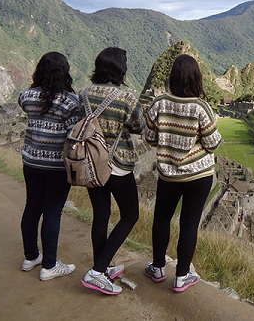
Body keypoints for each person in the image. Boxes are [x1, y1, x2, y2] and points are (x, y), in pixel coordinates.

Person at [143, 54, 222, 292]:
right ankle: (181, 275)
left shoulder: (159, 104)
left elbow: (149, 137)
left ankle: (157, 267)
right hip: (199, 177)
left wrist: (168, 140)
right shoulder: (200, 107)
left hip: (169, 175)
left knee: (162, 219)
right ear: (196, 78)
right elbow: (213, 143)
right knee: (189, 224)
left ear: (172, 77)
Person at [79, 47, 143, 295]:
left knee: (101, 215)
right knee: (130, 216)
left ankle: (102, 268)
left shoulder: (83, 94)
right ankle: (97, 271)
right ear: (121, 70)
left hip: (91, 165)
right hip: (116, 166)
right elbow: (138, 126)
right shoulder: (125, 98)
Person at [18, 52, 79, 281]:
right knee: (53, 212)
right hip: (56, 166)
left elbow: (25, 104)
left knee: (32, 207)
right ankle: (50, 265)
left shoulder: (27, 96)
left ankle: (31, 256)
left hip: (31, 161)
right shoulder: (70, 102)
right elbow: (74, 133)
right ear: (64, 72)